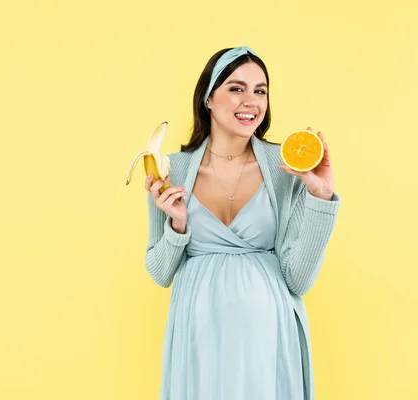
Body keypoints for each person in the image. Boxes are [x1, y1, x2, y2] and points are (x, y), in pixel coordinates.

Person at [143, 46, 340, 400]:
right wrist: (177, 227)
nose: (251, 101)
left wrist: (320, 198)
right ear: (208, 98)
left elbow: (298, 279)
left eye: (260, 90)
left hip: (270, 341)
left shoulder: (288, 167)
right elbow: (160, 274)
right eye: (236, 88)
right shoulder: (171, 169)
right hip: (198, 338)